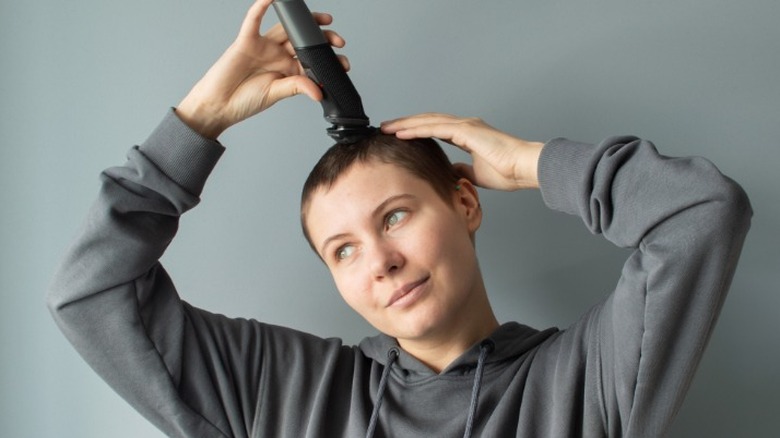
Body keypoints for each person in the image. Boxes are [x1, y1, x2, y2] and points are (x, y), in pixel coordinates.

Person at [46, 0, 752, 437]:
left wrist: (533, 162)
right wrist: (196, 122)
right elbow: (92, 295)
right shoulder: (283, 392)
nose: (378, 261)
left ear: (466, 203)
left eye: (394, 218)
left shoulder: (582, 382)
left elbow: (700, 213)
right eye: (342, 250)